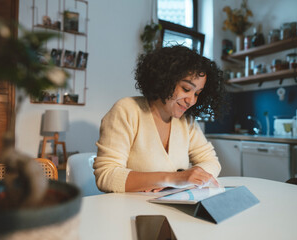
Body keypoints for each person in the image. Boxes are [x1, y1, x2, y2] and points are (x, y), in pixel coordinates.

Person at [94, 45, 226, 193]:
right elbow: (106, 176)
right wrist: (174, 178)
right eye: (186, 89)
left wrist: (190, 176)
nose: (191, 101)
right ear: (166, 80)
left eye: (197, 94)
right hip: (131, 211)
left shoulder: (186, 121)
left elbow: (211, 162)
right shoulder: (127, 110)